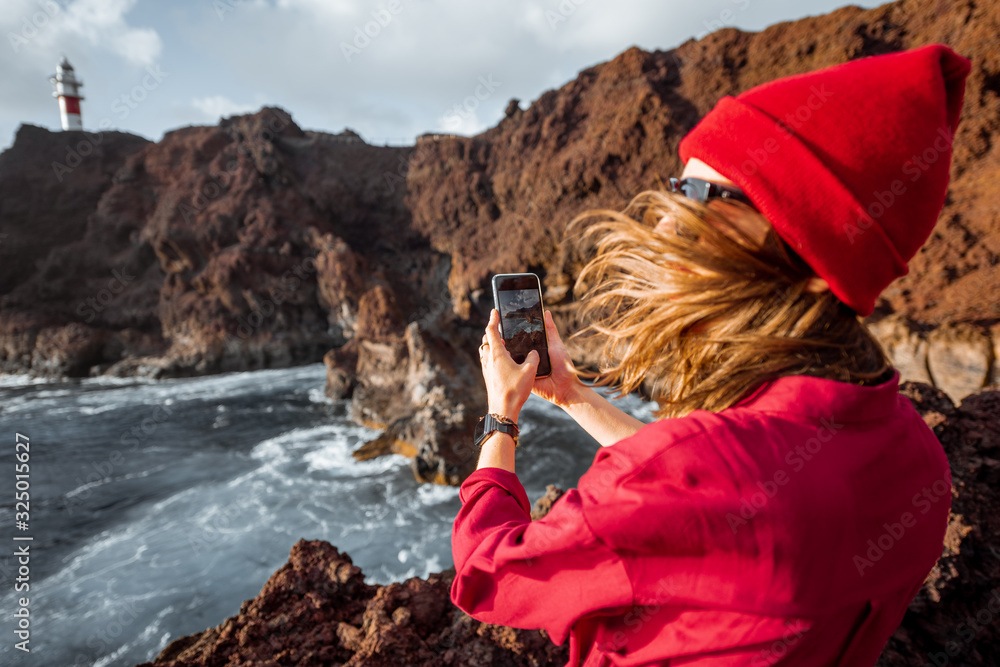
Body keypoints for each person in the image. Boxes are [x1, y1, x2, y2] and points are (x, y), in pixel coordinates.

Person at [450, 43, 972, 666]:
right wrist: (574, 395)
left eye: (700, 197)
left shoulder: (688, 478)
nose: (666, 225)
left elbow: (489, 575)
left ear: (810, 251)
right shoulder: (919, 459)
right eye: (677, 188)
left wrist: (501, 417)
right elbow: (704, 499)